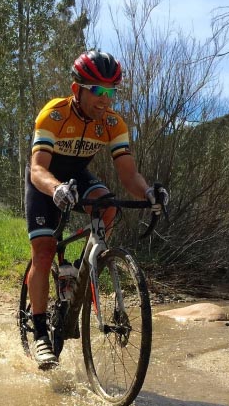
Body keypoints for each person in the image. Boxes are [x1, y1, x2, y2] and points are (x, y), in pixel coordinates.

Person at [25, 50, 169, 369]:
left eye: (112, 92)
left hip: (78, 176)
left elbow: (128, 174)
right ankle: (38, 334)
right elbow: (37, 168)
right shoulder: (54, 114)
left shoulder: (112, 123)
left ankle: (79, 272)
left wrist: (148, 192)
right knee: (45, 250)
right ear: (77, 89)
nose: (106, 99)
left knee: (107, 204)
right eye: (98, 91)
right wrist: (55, 188)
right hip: (44, 179)